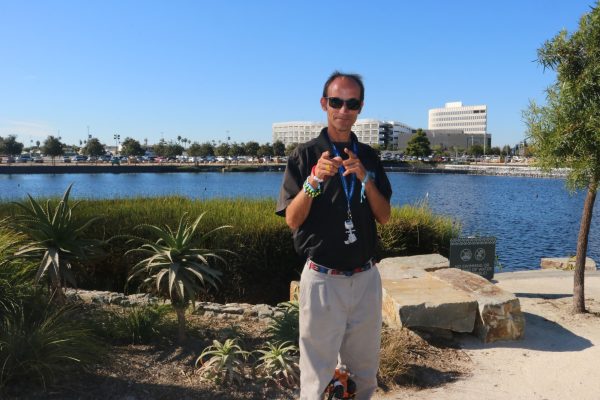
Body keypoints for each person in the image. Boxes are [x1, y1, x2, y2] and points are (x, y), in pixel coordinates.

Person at [276, 71, 392, 399]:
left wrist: (366, 179)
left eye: (352, 103)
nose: (344, 110)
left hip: (366, 279)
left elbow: (384, 216)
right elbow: (293, 220)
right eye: (337, 102)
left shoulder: (368, 156)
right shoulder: (304, 156)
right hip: (323, 280)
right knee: (317, 378)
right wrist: (312, 183)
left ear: (360, 107)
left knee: (365, 375)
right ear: (324, 104)